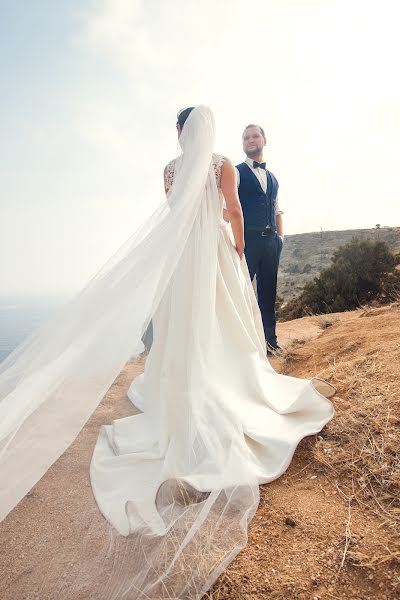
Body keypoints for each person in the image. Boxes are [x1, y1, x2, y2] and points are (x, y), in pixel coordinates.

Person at [0, 106, 334, 599]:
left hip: (183, 261)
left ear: (180, 134)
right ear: (210, 132)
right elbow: (233, 211)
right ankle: (227, 382)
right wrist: (238, 248)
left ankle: (182, 379)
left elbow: (176, 216)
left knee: (183, 327)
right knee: (224, 324)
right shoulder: (222, 164)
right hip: (215, 255)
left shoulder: (170, 170)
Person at [236, 124, 284, 356]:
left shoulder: (273, 177)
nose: (250, 140)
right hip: (247, 242)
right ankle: (244, 347)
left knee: (268, 293)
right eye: (246, 138)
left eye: (255, 136)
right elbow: (225, 207)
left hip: (271, 243)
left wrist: (281, 237)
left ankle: (271, 342)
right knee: (241, 294)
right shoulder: (235, 172)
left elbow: (277, 209)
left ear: (264, 140)